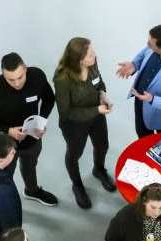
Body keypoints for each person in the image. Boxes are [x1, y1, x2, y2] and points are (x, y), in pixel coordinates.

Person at [0, 52, 58, 206]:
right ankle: (5, 202)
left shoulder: (37, 76)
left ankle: (32, 190)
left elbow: (49, 99)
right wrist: (8, 130)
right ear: (3, 75)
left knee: (30, 165)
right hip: (6, 142)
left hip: (33, 136)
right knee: (4, 175)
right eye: (10, 79)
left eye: (20, 77)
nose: (16, 83)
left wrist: (41, 121)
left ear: (25, 69)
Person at [53, 37, 116, 210]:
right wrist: (97, 110)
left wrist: (103, 94)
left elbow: (99, 82)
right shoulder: (62, 79)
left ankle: (99, 170)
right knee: (74, 154)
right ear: (78, 59)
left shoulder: (93, 63)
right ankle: (77, 185)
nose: (94, 56)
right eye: (89, 54)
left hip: (96, 114)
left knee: (102, 145)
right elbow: (66, 112)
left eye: (93, 52)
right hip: (74, 124)